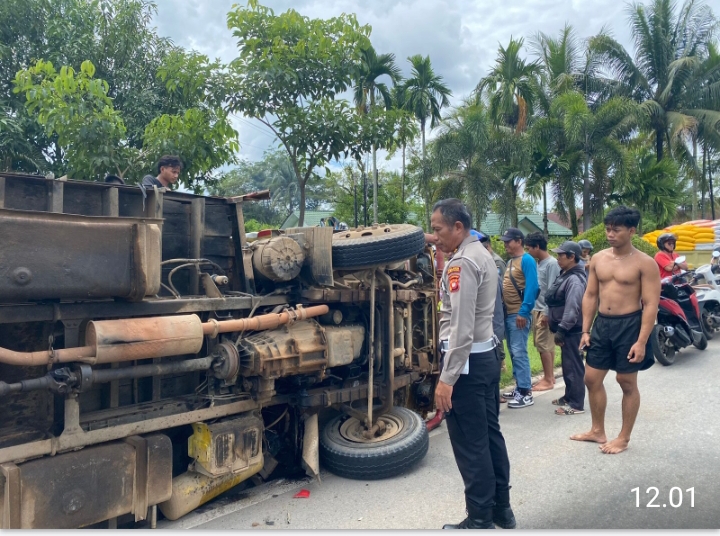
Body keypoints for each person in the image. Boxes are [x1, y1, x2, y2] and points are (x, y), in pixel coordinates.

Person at [431, 199, 515, 530]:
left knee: (471, 443)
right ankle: (501, 510)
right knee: (490, 436)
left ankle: (480, 517)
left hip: (467, 362)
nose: (435, 236)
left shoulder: (461, 263)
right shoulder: (482, 254)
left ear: (458, 228)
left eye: (438, 229)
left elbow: (461, 328)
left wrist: (446, 379)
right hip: (486, 356)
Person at [572, 206, 660, 454]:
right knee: (591, 378)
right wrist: (585, 330)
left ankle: (623, 437)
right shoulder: (598, 258)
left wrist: (641, 341)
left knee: (626, 381)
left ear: (632, 231)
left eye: (616, 230)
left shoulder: (645, 263)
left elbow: (651, 304)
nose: (610, 234)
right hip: (602, 324)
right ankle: (597, 430)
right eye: (608, 229)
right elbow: (590, 295)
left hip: (630, 324)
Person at [546, 241, 588, 415]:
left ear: (572, 257)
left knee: (573, 366)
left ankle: (576, 404)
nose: (558, 259)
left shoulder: (575, 280)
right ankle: (569, 396)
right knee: (567, 364)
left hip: (572, 330)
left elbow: (573, 308)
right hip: (565, 329)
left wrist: (562, 329)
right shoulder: (566, 274)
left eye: (561, 255)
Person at [499, 227, 539, 409]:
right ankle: (519, 386)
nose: (506, 244)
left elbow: (532, 287)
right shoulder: (510, 262)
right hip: (510, 314)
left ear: (519, 241)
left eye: (509, 241)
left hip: (518, 314)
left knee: (519, 351)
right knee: (514, 351)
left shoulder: (527, 260)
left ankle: (525, 392)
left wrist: (524, 311)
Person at [525, 232, 561, 391]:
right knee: (547, 344)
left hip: (545, 309)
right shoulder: (540, 263)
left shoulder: (551, 264)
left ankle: (547, 379)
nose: (528, 252)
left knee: (542, 345)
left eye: (529, 249)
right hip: (537, 308)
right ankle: (550, 376)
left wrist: (547, 313)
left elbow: (553, 289)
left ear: (537, 247)